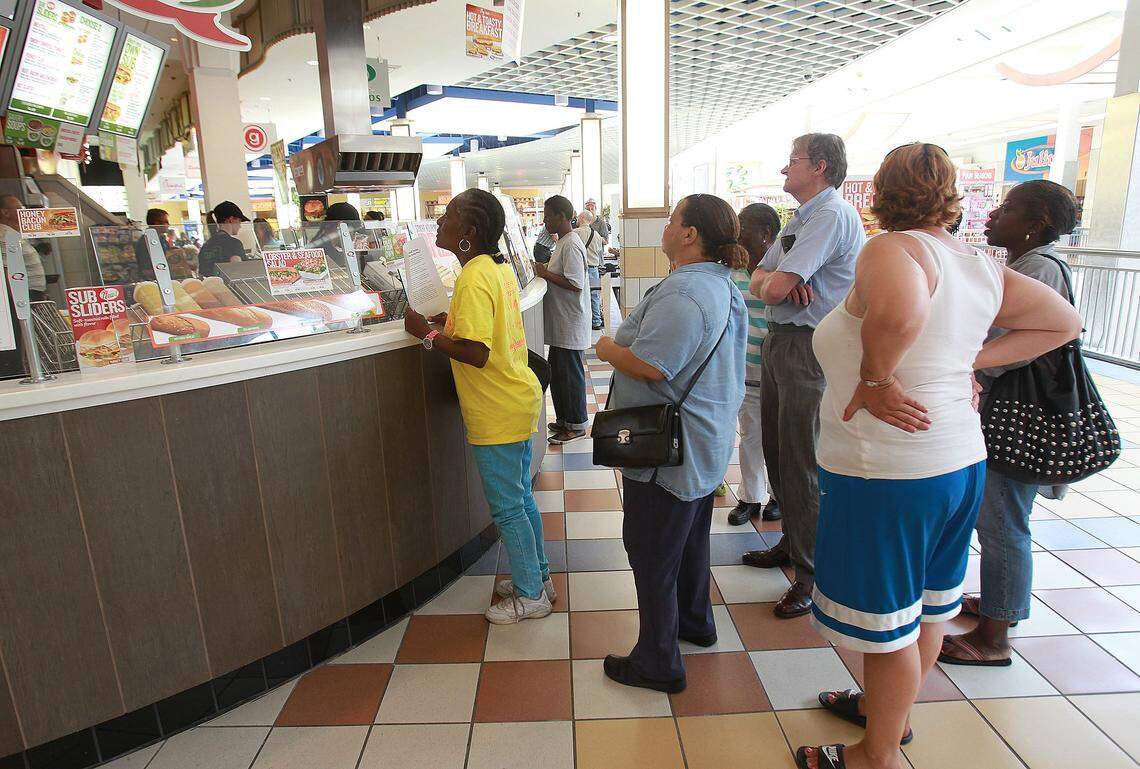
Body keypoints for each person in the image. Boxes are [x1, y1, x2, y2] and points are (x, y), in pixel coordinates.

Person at [802, 144, 1081, 769]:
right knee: (927, 609)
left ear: (881, 193)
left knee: (886, 624)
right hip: (958, 463)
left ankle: (876, 752)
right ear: (951, 192)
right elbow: (1062, 321)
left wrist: (876, 377)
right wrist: (967, 360)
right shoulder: (974, 263)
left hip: (888, 470)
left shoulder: (892, 250)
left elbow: (901, 312)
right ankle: (888, 718)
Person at [594, 193, 746, 693]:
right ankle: (694, 621)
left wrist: (606, 347)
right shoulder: (719, 286)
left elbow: (655, 365)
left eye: (672, 219)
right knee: (689, 539)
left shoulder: (685, 294)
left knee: (652, 549)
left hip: (669, 451)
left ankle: (658, 661)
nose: (665, 225)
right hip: (701, 442)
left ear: (689, 234)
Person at [939, 180, 1081, 668]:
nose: (994, 214)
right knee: (1000, 516)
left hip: (1015, 410)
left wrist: (969, 363)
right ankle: (1000, 603)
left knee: (1003, 521)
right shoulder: (1029, 264)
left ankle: (994, 637)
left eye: (1008, 209)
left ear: (1036, 223)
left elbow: (1009, 339)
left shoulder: (1038, 267)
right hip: (1009, 406)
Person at [402, 189, 549, 624]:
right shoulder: (495, 269)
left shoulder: (471, 277)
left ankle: (531, 596)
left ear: (467, 232)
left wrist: (424, 334)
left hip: (496, 409)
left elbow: (476, 351)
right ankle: (538, 577)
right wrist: (445, 323)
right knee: (522, 499)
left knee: (507, 506)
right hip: (518, 399)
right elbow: (482, 328)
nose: (439, 223)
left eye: (447, 217)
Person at [741, 133, 864, 619]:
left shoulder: (831, 215)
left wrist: (777, 283)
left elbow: (774, 287)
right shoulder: (805, 216)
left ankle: (813, 575)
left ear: (819, 166)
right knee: (777, 449)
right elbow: (760, 277)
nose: (783, 169)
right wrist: (776, 281)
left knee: (801, 461)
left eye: (791, 161)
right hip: (782, 342)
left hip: (808, 348)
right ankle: (792, 544)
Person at [728, 203, 783, 526]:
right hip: (745, 373)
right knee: (750, 436)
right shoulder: (733, 272)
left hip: (778, 372)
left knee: (778, 439)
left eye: (743, 226)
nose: (738, 233)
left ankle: (778, 496)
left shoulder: (785, 271)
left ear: (765, 233)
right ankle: (750, 497)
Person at [533, 195, 591, 444]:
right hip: (562, 324)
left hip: (570, 323)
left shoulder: (571, 244)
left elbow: (575, 284)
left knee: (570, 376)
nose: (545, 221)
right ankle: (565, 420)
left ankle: (576, 425)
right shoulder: (564, 242)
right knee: (559, 374)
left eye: (548, 216)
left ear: (562, 216)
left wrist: (546, 273)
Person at [0, 194, 47, 300]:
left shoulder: (14, 234)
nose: (24, 212)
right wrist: (19, 301)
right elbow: (8, 271)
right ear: (5, 212)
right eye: (19, 209)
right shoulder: (5, 236)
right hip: (27, 295)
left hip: (34, 293)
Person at [197, 201, 248, 278]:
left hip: (210, 287)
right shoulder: (234, 244)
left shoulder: (207, 244)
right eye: (239, 221)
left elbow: (201, 274)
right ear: (231, 220)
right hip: (227, 288)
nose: (240, 226)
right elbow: (237, 271)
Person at [576, 209, 607, 330]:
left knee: (580, 296)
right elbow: (599, 250)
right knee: (595, 296)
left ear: (583, 218)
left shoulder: (576, 233)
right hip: (593, 268)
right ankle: (596, 322)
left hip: (581, 269)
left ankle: (582, 322)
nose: (577, 219)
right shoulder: (596, 235)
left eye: (579, 217)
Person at [133, 208, 170, 281]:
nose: (168, 224)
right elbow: (146, 270)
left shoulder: (163, 240)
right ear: (156, 223)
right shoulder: (144, 242)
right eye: (166, 222)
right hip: (153, 281)